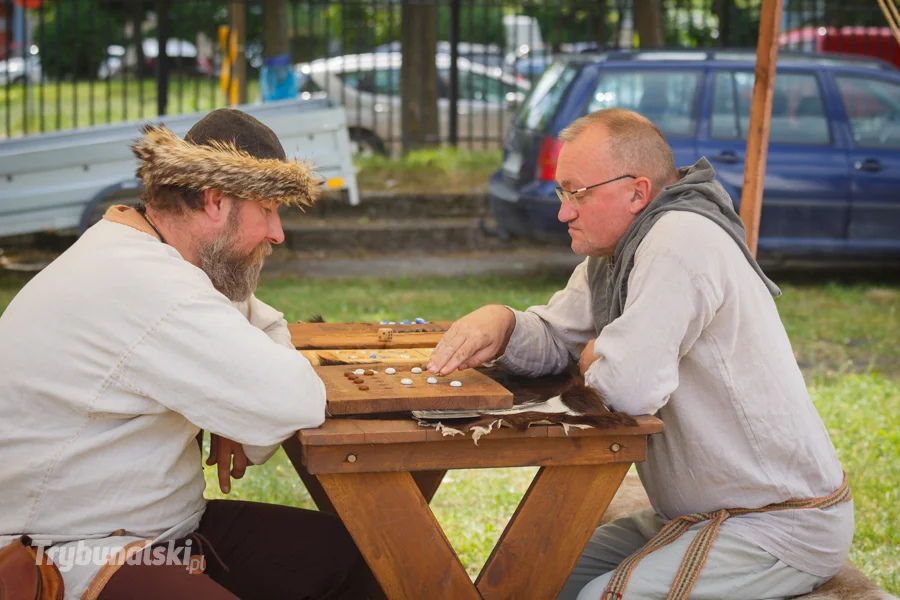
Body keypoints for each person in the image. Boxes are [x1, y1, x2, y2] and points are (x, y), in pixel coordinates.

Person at [427, 108, 853, 600]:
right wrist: (502, 322)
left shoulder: (677, 242)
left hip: (776, 524)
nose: (565, 211)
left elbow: (627, 390)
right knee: (534, 574)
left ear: (637, 192)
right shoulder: (617, 252)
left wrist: (592, 359)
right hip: (695, 516)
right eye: (562, 193)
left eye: (576, 192)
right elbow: (560, 338)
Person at [0, 108, 366, 600]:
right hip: (64, 556)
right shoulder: (148, 283)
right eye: (268, 209)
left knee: (365, 562)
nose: (277, 233)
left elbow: (263, 319)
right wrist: (247, 403)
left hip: (156, 535)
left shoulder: (147, 255)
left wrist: (241, 405)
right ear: (215, 200)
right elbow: (292, 401)